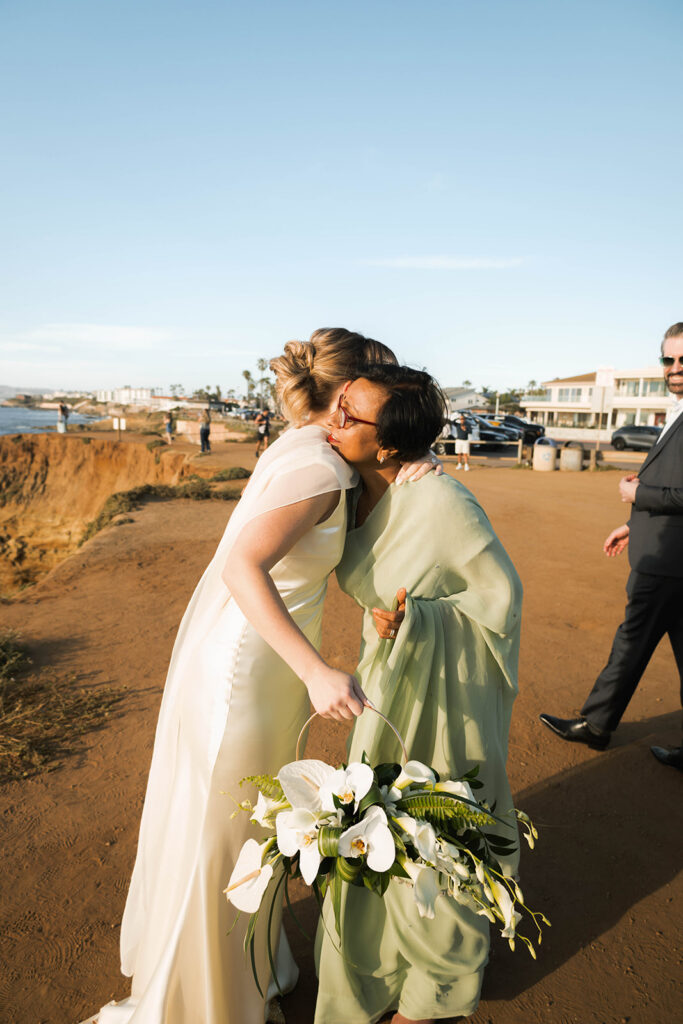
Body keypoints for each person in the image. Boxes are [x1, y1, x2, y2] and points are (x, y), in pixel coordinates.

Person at [85, 329, 438, 1024]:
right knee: (228, 836)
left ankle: (244, 965)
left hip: (267, 664)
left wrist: (409, 464)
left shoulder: (311, 446)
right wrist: (313, 670)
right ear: (349, 393)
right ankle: (206, 1001)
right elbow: (241, 565)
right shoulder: (320, 466)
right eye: (382, 390)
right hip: (250, 671)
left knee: (252, 829)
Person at [315, 365, 522, 1024]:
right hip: (386, 672)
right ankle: (374, 964)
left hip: (443, 691)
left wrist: (421, 622)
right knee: (375, 820)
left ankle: (436, 986)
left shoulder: (442, 504)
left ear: (387, 445)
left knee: (432, 821)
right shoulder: (356, 484)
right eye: (335, 405)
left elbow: (499, 598)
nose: (330, 421)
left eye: (349, 416)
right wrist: (387, 625)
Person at [540, 322, 683, 771]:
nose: (675, 368)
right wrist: (632, 525)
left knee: (632, 640)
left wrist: (637, 496)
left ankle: (598, 725)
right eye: (669, 359)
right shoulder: (677, 411)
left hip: (666, 562)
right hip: (663, 549)